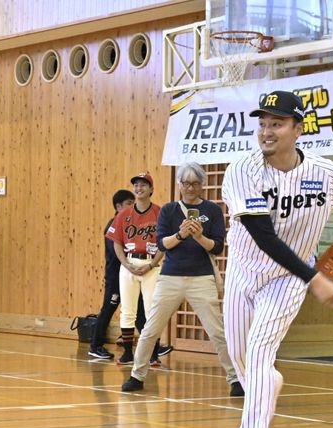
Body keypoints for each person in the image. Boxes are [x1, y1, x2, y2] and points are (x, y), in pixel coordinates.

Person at [208, 90, 333, 428]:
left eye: (277, 123)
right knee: (242, 359)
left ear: (298, 129)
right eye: (263, 123)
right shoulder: (242, 169)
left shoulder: (327, 173)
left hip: (288, 280)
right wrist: (317, 279)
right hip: (244, 273)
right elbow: (263, 236)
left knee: (257, 352)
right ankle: (267, 380)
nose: (266, 131)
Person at [122, 163, 242, 396]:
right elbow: (161, 244)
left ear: (202, 185)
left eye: (195, 183)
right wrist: (180, 234)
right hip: (170, 277)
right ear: (179, 185)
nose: (190, 188)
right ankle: (137, 374)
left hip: (202, 277)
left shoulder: (214, 210)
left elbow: (217, 247)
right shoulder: (168, 210)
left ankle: (235, 378)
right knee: (150, 329)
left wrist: (198, 236)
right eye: (185, 183)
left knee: (217, 332)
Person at [89, 190, 172, 361]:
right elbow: (118, 249)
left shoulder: (135, 220)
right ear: (118, 206)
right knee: (110, 308)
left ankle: (149, 345)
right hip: (116, 276)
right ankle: (95, 345)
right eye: (128, 203)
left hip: (138, 273)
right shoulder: (115, 224)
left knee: (142, 310)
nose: (132, 205)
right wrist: (129, 264)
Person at [106, 173, 169, 366]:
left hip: (152, 265)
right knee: (128, 311)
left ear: (151, 190)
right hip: (130, 265)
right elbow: (117, 242)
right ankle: (127, 353)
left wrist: (152, 264)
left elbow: (164, 243)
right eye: (136, 185)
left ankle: (152, 354)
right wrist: (125, 264)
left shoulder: (159, 212)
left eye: (144, 185)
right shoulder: (124, 215)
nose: (139, 188)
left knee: (152, 311)